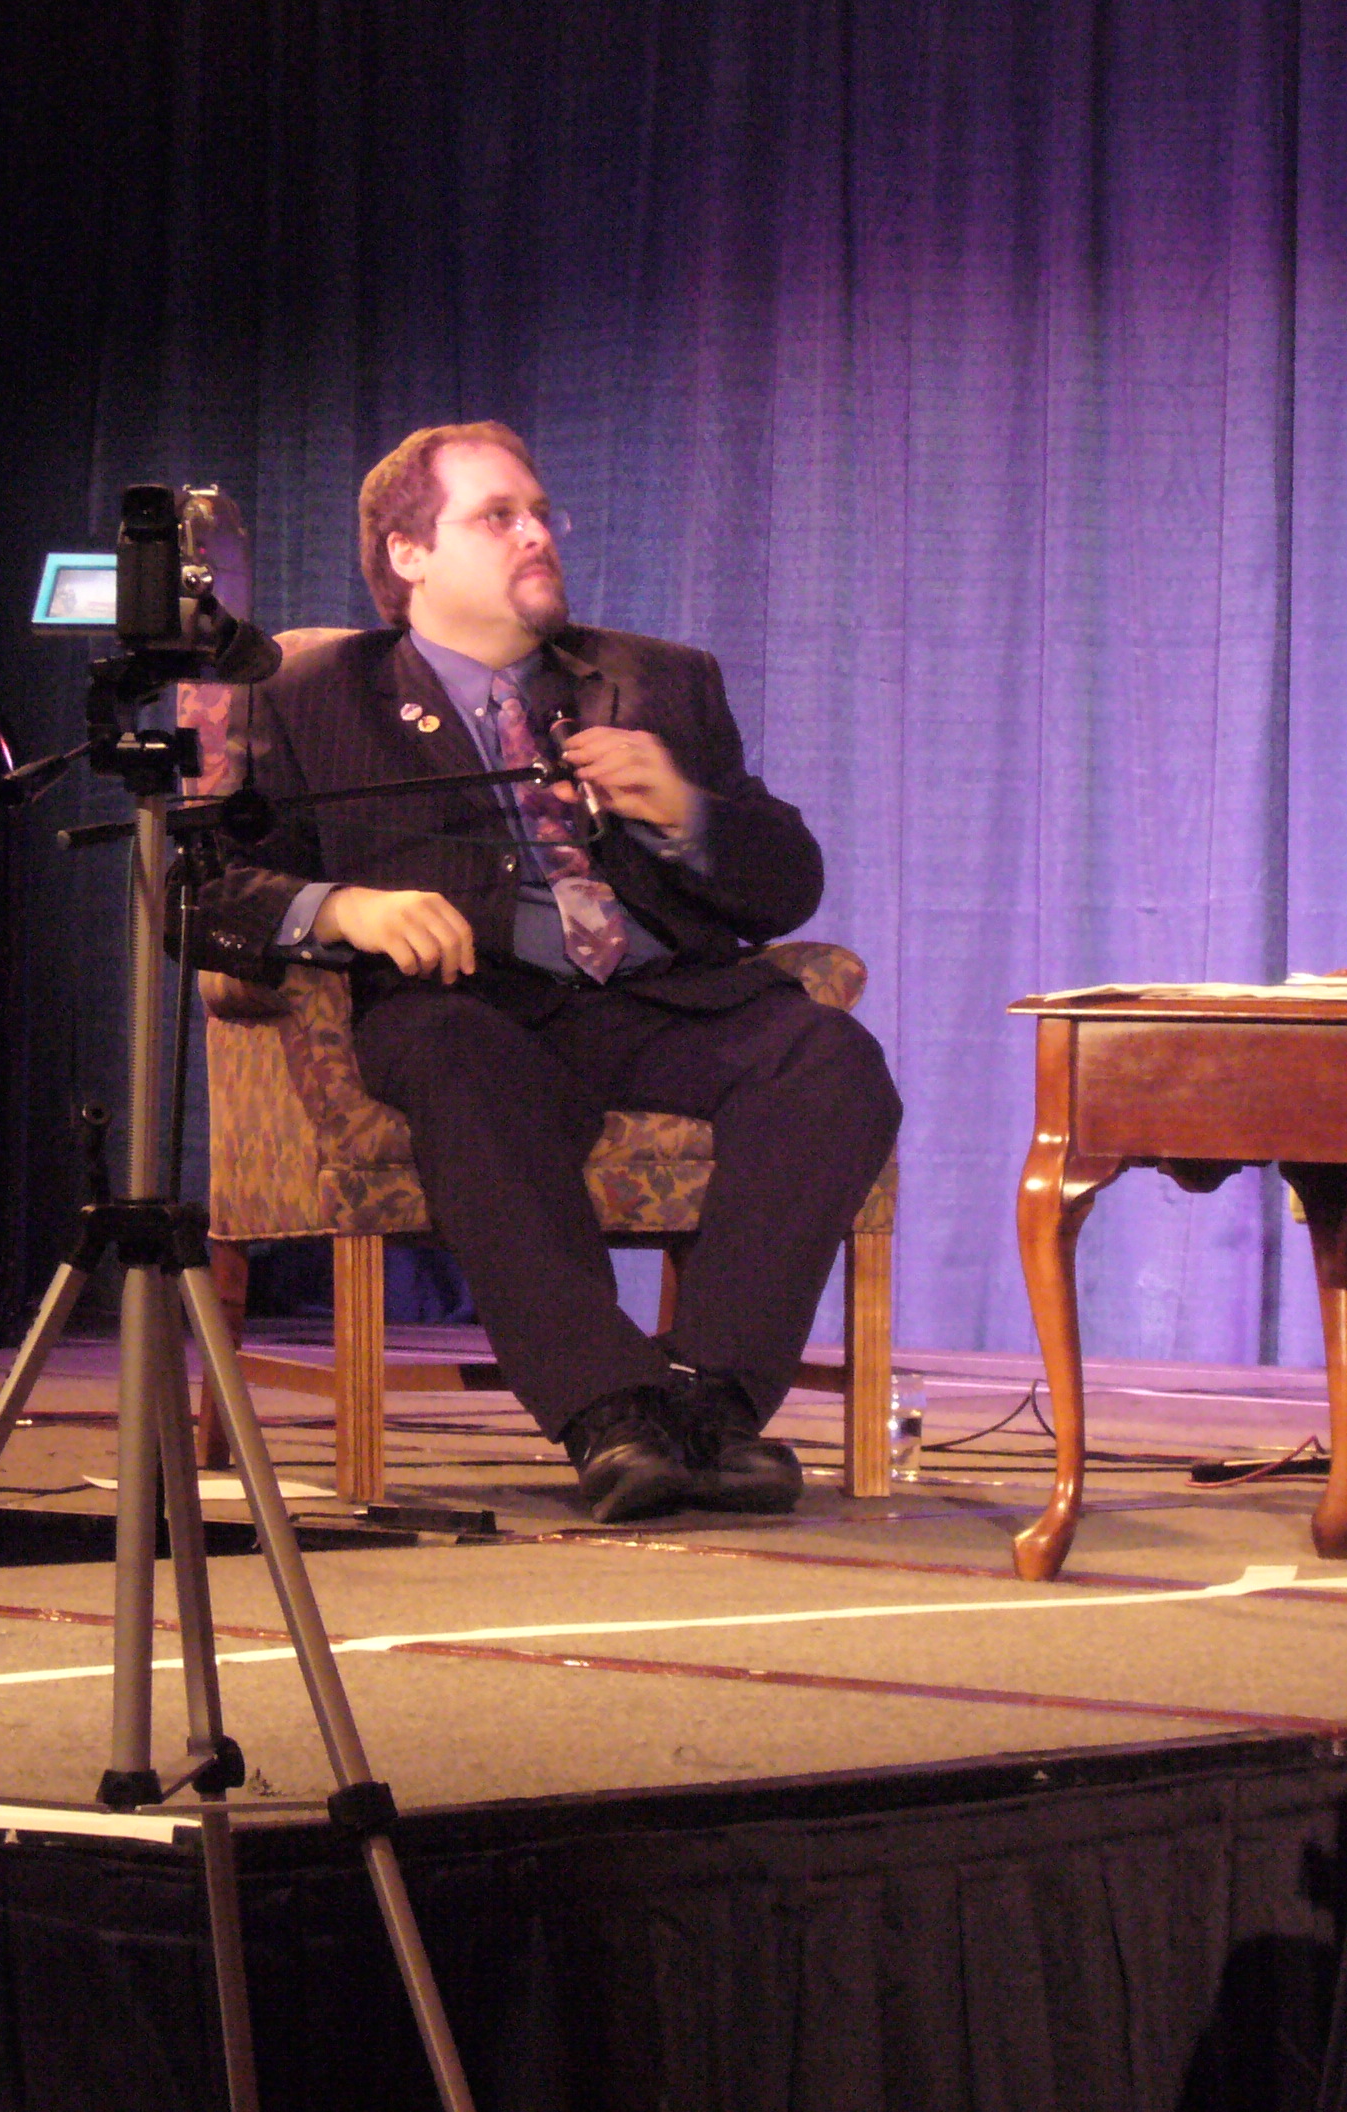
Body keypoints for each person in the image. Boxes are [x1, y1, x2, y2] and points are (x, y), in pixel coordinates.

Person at [193, 422, 902, 1520]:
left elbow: (786, 884)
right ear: (408, 554)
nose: (536, 534)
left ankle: (710, 1405)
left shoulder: (659, 680)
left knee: (829, 1060)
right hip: (466, 1006)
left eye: (539, 513)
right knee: (460, 1063)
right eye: (497, 517)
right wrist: (344, 906)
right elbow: (201, 890)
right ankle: (608, 1412)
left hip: (659, 999)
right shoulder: (308, 691)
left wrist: (687, 812)